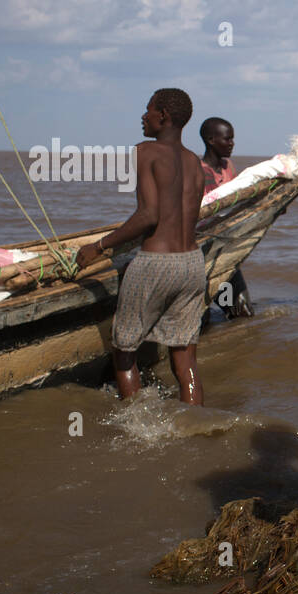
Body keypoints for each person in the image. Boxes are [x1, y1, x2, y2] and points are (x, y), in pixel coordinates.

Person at [75, 88, 206, 405]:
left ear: (163, 116)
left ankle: (135, 425)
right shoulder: (194, 163)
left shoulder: (145, 152)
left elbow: (149, 216)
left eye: (147, 110)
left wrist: (99, 246)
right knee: (185, 356)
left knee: (124, 349)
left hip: (155, 265)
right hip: (192, 265)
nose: (142, 116)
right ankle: (197, 423)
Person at [197, 116, 254, 319]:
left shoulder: (228, 166)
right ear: (211, 140)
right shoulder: (197, 171)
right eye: (227, 139)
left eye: (232, 139)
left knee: (241, 314)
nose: (232, 144)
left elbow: (239, 195)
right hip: (202, 254)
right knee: (201, 319)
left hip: (225, 253)